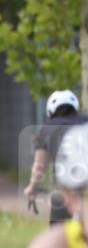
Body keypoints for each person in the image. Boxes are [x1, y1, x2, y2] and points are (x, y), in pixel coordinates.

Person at [25, 89, 87, 224]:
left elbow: (39, 167)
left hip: (65, 191)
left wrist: (32, 187)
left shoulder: (48, 129)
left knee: (61, 230)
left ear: (50, 111)